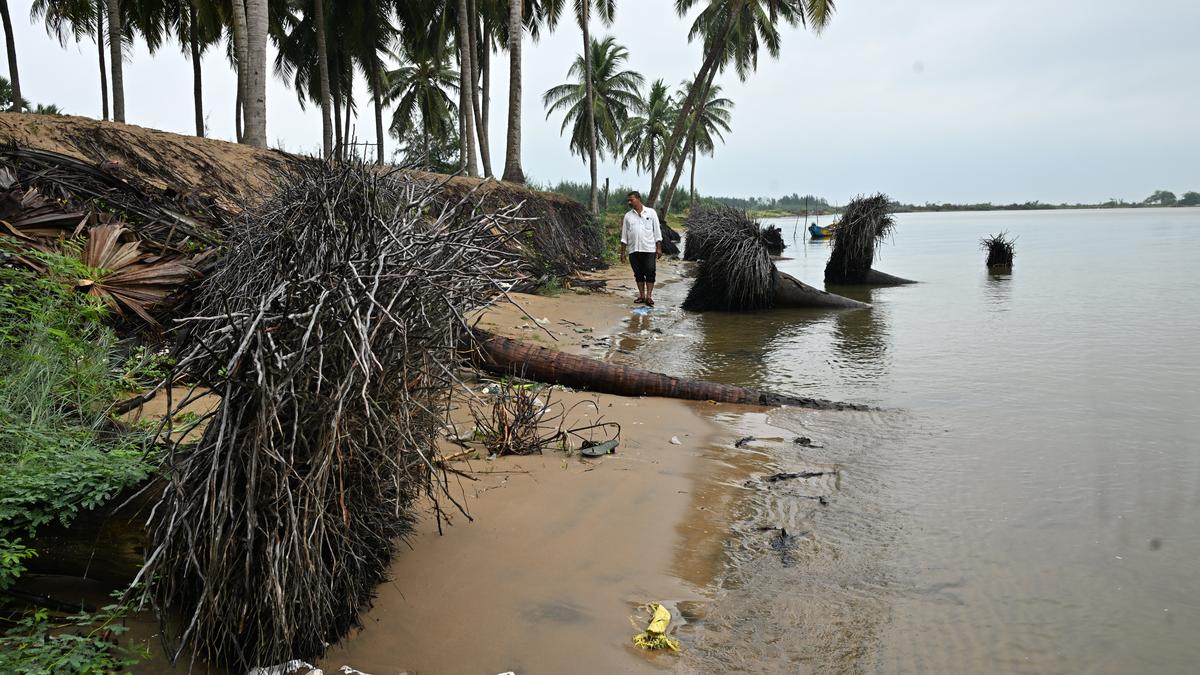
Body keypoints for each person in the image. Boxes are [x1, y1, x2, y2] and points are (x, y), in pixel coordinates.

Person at [619, 191, 663, 306]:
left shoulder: (651, 213)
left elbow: (657, 231)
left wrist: (659, 248)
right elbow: (624, 235)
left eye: (631, 200)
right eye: (628, 200)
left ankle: (649, 296)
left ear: (638, 199)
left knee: (650, 272)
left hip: (649, 249)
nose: (629, 202)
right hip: (634, 250)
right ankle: (641, 295)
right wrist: (622, 253)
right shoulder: (628, 216)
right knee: (638, 274)